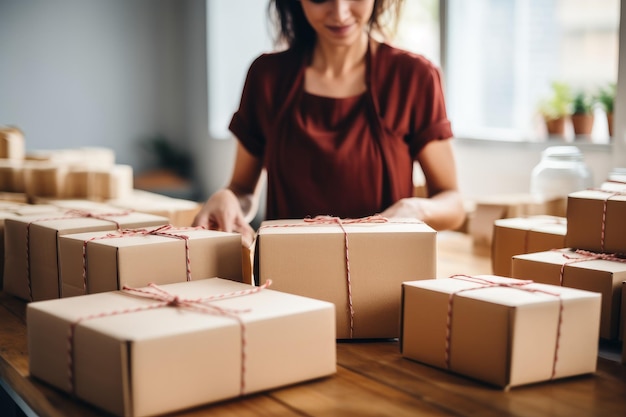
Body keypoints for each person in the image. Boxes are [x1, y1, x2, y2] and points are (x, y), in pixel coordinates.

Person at [193, 0, 465, 246]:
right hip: (286, 279)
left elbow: (452, 203)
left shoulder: (413, 77)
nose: (340, 12)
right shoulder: (267, 77)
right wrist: (227, 198)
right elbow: (242, 190)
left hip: (384, 274)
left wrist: (414, 211)